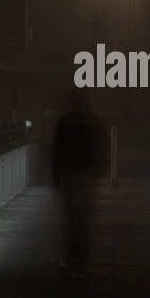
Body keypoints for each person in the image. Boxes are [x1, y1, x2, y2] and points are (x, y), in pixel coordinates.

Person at [52, 88, 106, 279]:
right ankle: (83, 263)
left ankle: (70, 259)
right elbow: (101, 148)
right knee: (84, 221)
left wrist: (56, 177)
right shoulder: (94, 122)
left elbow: (57, 150)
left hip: (70, 175)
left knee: (71, 220)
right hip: (87, 176)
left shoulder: (65, 122)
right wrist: (100, 172)